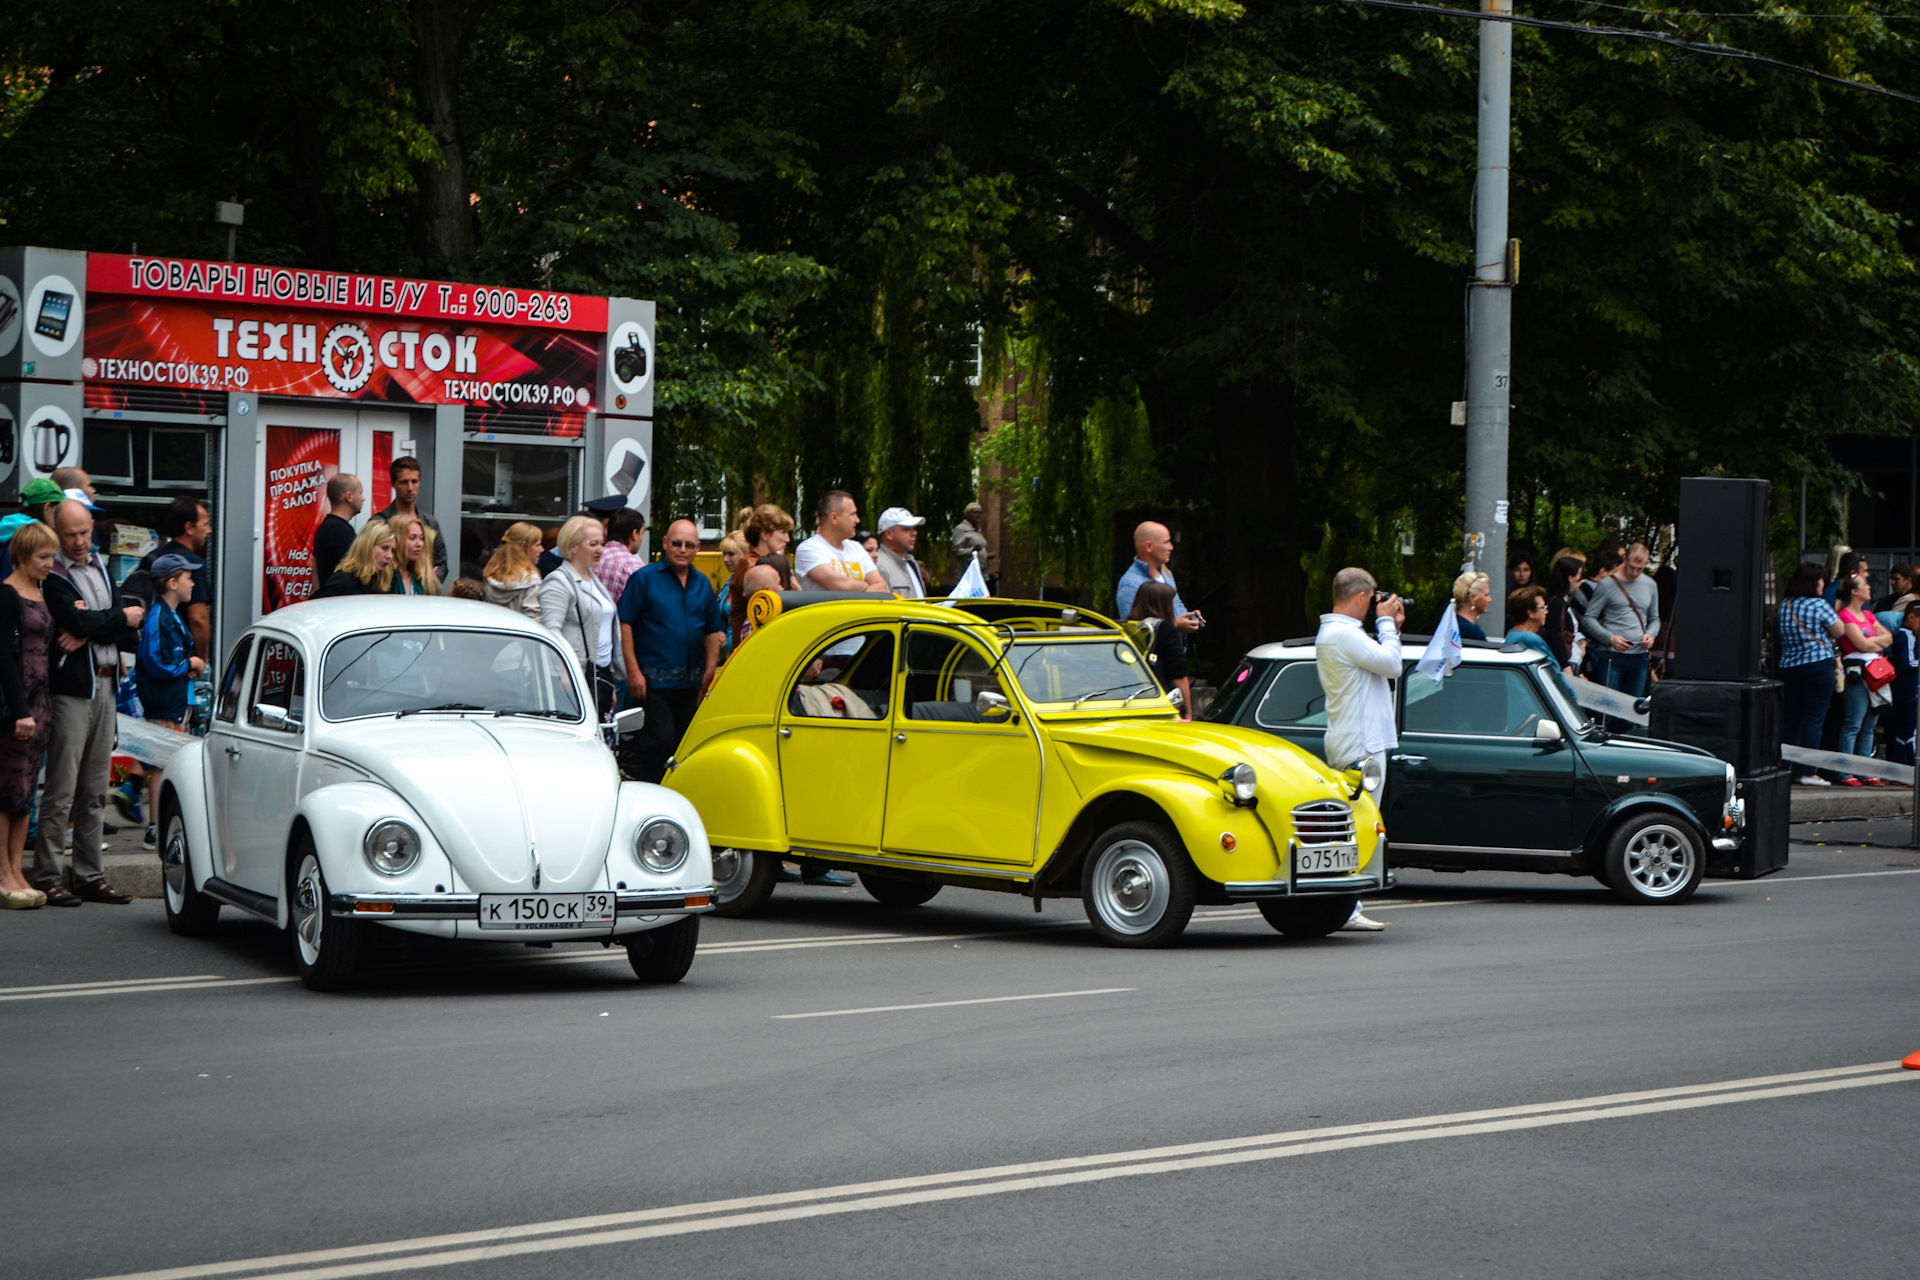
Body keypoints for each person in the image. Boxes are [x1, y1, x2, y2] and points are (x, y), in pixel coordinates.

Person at [31, 499, 146, 901]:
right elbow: (90, 619)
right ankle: (47, 874)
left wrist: (96, 626)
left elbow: (126, 624)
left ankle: (89, 874)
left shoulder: (99, 565)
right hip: (73, 689)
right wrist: (107, 621)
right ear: (57, 535)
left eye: (85, 533)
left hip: (107, 683)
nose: (80, 542)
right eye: (71, 535)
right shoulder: (57, 574)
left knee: (95, 787)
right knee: (62, 787)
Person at [1315, 566, 1401, 933]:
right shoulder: (1341, 634)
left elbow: (1381, 666)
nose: (1375, 605)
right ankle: (1345, 908)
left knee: (1354, 827)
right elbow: (1393, 665)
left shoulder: (1339, 634)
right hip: (1360, 745)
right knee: (1356, 828)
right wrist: (1387, 626)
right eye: (1373, 598)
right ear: (1362, 597)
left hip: (1358, 740)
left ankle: (1345, 906)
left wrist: (1389, 626)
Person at [618, 518, 726, 783]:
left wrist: (711, 671)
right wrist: (632, 670)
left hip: (692, 683)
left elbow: (713, 630)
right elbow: (626, 624)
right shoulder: (644, 579)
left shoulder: (702, 584)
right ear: (665, 544)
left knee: (686, 746)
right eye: (676, 543)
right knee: (658, 743)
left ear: (697, 548)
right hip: (653, 682)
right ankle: (651, 793)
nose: (682, 549)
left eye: (689, 545)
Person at [0, 523, 58, 908]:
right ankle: (3, 874)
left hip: (41, 703)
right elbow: (2, 656)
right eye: (43, 557)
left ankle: (17, 869)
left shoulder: (40, 591)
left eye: (52, 557)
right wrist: (20, 710)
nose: (50, 564)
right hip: (17, 706)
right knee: (7, 791)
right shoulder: (5, 594)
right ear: (21, 556)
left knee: (25, 795)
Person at [134, 554, 206, 835]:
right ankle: (156, 828)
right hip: (165, 703)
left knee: (166, 763)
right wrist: (189, 664)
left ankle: (160, 825)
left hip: (174, 700)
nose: (193, 583)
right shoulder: (159, 617)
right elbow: (156, 662)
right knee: (163, 764)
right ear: (173, 583)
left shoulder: (169, 615)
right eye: (188, 577)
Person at [539, 514, 625, 719]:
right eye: (593, 543)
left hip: (599, 673)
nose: (599, 549)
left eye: (602, 543)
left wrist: (609, 682)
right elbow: (551, 633)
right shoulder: (558, 581)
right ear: (573, 546)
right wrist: (564, 672)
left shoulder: (594, 579)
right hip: (574, 675)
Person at [1776, 562, 1846, 787]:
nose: (1823, 584)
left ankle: (1784, 766)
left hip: (1789, 667)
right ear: (1813, 582)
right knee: (1814, 720)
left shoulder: (1784, 606)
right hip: (1817, 665)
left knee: (1791, 720)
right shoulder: (1818, 604)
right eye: (1821, 580)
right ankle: (1807, 771)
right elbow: (1840, 630)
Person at [1581, 541, 1659, 716]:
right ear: (1626, 559)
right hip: (1612, 655)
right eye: (1631, 567)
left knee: (1632, 711)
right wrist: (1610, 638)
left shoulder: (1650, 585)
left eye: (1640, 568)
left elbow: (1654, 619)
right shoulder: (1607, 585)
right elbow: (1589, 618)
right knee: (1607, 710)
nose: (1635, 572)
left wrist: (1651, 635)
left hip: (1639, 655)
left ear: (1646, 563)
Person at [1834, 569, 1892, 787]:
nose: (1869, 587)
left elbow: (1889, 637)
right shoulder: (1845, 616)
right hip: (1857, 674)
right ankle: (1844, 771)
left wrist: (1873, 643)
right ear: (1854, 591)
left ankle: (1865, 771)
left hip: (1874, 672)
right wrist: (1877, 643)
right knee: (1853, 723)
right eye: (1864, 584)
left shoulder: (1867, 615)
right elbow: (1863, 644)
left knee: (1869, 724)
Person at [140, 497, 212, 660]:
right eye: (205, 524)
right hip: (179, 657)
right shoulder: (192, 563)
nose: (209, 530)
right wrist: (202, 661)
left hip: (152, 651)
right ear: (189, 527)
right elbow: (198, 618)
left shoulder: (152, 557)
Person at [371, 456, 447, 584]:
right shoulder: (380, 522)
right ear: (393, 484)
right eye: (404, 482)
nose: (410, 488)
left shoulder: (430, 522)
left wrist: (430, 581)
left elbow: (442, 562)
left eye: (414, 481)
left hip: (423, 593)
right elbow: (370, 561)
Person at [1115, 521, 1202, 632]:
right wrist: (1175, 624)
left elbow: (1176, 604)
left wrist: (1189, 618)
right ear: (1149, 546)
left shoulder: (1166, 572)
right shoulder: (1129, 584)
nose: (1171, 547)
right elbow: (1133, 631)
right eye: (1166, 542)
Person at [795, 491, 890, 592]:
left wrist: (859, 593)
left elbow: (881, 586)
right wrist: (867, 586)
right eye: (852, 515)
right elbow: (842, 586)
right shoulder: (808, 549)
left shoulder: (856, 547)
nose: (857, 520)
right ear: (834, 518)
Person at [730, 504, 796, 642]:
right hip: (751, 645)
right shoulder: (751, 565)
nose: (787, 539)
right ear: (765, 534)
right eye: (783, 532)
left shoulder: (761, 562)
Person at [1127, 581, 1191, 719]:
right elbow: (1178, 674)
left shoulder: (1129, 626)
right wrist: (1188, 711)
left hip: (1131, 699)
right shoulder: (1166, 629)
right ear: (1163, 605)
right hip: (1160, 700)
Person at [316, 521, 397, 597]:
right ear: (367, 546)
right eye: (384, 548)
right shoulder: (343, 582)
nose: (390, 556)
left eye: (393, 551)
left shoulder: (379, 582)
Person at [484, 523, 545, 618]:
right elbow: (533, 620)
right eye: (538, 545)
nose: (542, 549)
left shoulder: (490, 574)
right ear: (523, 546)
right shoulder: (531, 579)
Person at [312, 473, 362, 586]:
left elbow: (315, 569)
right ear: (349, 496)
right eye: (360, 492)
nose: (363, 498)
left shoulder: (327, 528)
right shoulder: (340, 531)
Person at [1886, 602, 1920, 768]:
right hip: (1910, 689)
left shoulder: (1899, 635)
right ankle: (1912, 768)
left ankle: (1899, 767)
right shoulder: (1907, 636)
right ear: (1911, 617)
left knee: (1901, 729)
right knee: (1912, 729)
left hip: (1899, 689)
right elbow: (1909, 662)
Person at [873, 507, 930, 599]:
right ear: (888, 534)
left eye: (914, 528)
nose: (914, 533)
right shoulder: (879, 566)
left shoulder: (911, 563)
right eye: (906, 529)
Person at [1543, 556, 1585, 673]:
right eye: (1579, 578)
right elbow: (1552, 635)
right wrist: (1565, 665)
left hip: (1570, 661)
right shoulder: (1557, 603)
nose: (1581, 582)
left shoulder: (1561, 602)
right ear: (1570, 578)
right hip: (1564, 663)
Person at [596, 507, 647, 600]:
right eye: (642, 533)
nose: (641, 538)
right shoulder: (636, 568)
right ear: (634, 534)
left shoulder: (592, 558)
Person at [384, 511, 440, 597]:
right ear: (397, 539)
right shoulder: (386, 575)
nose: (419, 544)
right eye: (412, 538)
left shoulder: (416, 575)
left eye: (421, 538)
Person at [732, 562, 784, 648]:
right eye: (779, 584)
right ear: (767, 590)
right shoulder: (762, 623)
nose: (782, 588)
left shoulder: (751, 622)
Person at [949, 501, 996, 587]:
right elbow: (956, 551)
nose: (978, 515)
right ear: (968, 514)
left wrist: (986, 556)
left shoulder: (978, 531)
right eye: (975, 513)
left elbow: (979, 552)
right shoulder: (961, 529)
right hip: (968, 576)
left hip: (982, 575)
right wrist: (972, 550)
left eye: (980, 513)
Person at [1505, 586, 1555, 661]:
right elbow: (1553, 670)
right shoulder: (1529, 639)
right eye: (1542, 608)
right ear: (1531, 613)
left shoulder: (1512, 633)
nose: (1546, 612)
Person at [1451, 571, 1491, 641]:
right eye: (1486, 595)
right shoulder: (1471, 632)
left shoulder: (1453, 624)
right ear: (1472, 598)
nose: (1490, 600)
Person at [1505, 551, 1536, 631]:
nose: (1522, 574)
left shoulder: (1536, 594)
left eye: (1526, 570)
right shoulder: (1506, 594)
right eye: (1517, 570)